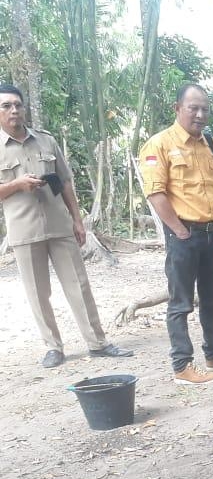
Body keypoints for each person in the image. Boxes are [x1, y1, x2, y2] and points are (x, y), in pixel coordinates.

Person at [0, 84, 133, 368]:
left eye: (17, 105)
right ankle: (53, 347)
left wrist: (77, 219)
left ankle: (97, 343)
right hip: (24, 230)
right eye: (6, 106)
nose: (13, 110)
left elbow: (66, 181)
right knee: (38, 292)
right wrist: (16, 184)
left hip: (60, 223)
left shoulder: (46, 142)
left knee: (79, 284)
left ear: (24, 108)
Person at [140, 84, 213, 385]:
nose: (200, 115)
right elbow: (156, 192)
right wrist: (179, 231)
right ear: (177, 108)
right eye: (193, 108)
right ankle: (182, 366)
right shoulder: (158, 145)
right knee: (181, 302)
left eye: (204, 109)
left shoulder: (212, 145)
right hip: (185, 235)